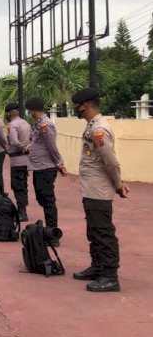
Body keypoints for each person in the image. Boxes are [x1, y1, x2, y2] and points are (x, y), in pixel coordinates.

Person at [71, 88, 129, 292]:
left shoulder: (99, 129)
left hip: (99, 189)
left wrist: (119, 183)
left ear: (85, 104)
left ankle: (110, 276)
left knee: (103, 232)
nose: (74, 108)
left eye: (76, 104)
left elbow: (110, 161)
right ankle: (97, 267)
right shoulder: (92, 126)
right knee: (93, 230)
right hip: (91, 188)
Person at [26, 97, 67, 238]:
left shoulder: (45, 125)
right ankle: (50, 226)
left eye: (29, 110)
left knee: (48, 199)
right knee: (41, 197)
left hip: (46, 167)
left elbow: (51, 146)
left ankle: (52, 231)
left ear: (33, 110)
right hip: (38, 167)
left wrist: (59, 163)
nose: (28, 113)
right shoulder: (39, 124)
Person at [5, 102, 31, 222]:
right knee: (23, 184)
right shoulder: (26, 123)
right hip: (25, 160)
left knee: (17, 185)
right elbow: (32, 138)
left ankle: (22, 212)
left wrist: (23, 147)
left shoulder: (12, 125)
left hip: (16, 159)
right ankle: (23, 209)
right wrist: (27, 147)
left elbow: (14, 141)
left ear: (9, 113)